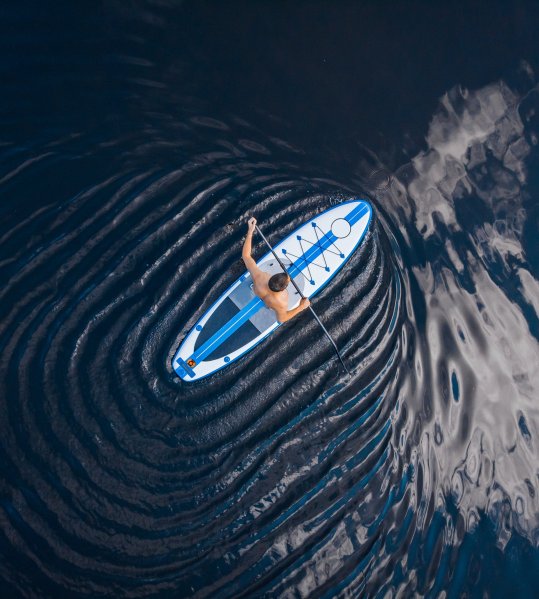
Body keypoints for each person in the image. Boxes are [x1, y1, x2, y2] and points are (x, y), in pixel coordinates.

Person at [242, 217, 310, 323]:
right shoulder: (281, 303)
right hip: (272, 303)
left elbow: (246, 256)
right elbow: (282, 319)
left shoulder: (260, 277)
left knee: (256, 281)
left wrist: (250, 231)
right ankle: (268, 306)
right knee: (273, 306)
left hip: (258, 289)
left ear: (271, 278)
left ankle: (253, 287)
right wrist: (302, 307)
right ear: (283, 289)